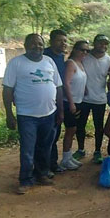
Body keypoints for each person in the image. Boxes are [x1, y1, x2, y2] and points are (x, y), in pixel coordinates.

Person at [2, 34, 63, 194]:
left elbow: (58, 87)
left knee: (45, 147)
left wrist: (60, 111)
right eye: (33, 44)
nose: (37, 47)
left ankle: (41, 174)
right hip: (27, 115)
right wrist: (9, 114)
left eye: (40, 44)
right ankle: (25, 179)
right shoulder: (16, 63)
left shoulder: (49, 62)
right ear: (25, 45)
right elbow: (7, 89)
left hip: (49, 113)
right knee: (28, 149)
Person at [75, 34, 110, 164]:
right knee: (80, 125)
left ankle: (97, 151)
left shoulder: (109, 61)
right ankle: (81, 149)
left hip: (100, 99)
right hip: (84, 98)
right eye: (100, 43)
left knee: (99, 127)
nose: (103, 46)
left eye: (105, 44)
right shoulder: (85, 57)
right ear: (94, 43)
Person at [60, 40, 89, 170]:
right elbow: (66, 83)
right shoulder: (71, 63)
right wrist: (71, 102)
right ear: (75, 50)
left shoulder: (80, 64)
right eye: (82, 50)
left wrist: (85, 90)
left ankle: (68, 156)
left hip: (79, 101)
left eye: (87, 50)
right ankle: (65, 159)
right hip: (69, 102)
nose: (84, 52)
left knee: (74, 129)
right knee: (70, 130)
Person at [43, 29, 68, 174]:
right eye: (60, 40)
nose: (63, 43)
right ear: (51, 41)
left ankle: (52, 164)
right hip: (44, 104)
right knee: (46, 136)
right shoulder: (44, 56)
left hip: (58, 101)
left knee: (54, 134)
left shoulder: (61, 57)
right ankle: (43, 167)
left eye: (65, 40)